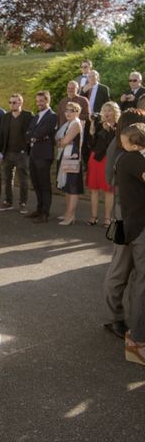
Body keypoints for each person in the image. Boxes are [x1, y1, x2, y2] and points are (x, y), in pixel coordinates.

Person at [103, 109, 145, 340]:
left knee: (132, 271)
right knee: (120, 270)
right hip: (124, 213)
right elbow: (111, 178)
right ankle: (113, 317)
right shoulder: (120, 150)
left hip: (132, 212)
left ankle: (134, 320)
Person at [115, 122, 145, 365]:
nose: (120, 144)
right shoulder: (132, 159)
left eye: (123, 140)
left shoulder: (132, 157)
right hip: (139, 230)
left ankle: (135, 335)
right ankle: (137, 341)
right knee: (142, 284)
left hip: (134, 227)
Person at [0, 94, 32, 213]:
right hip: (8, 153)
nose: (12, 105)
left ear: (20, 103)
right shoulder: (6, 117)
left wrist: (28, 150)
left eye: (15, 102)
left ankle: (23, 203)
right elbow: (1, 135)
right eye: (10, 102)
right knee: (6, 179)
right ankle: (8, 201)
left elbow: (31, 133)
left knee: (23, 180)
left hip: (22, 154)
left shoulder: (28, 116)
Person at [25, 91, 57, 224]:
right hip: (34, 153)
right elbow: (28, 133)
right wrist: (34, 135)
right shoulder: (36, 116)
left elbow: (40, 133)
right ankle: (39, 209)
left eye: (41, 101)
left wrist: (34, 135)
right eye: (37, 101)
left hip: (44, 154)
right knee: (36, 183)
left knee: (44, 184)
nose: (39, 103)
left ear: (47, 101)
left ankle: (45, 213)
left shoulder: (52, 116)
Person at [86, 102, 118, 227]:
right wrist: (93, 128)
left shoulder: (118, 127)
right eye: (104, 110)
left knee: (108, 191)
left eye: (109, 110)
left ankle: (107, 218)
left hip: (108, 160)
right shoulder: (98, 124)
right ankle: (93, 217)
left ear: (115, 112)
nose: (107, 113)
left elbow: (113, 145)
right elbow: (91, 145)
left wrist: (109, 129)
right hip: (95, 159)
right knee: (94, 190)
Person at [55, 102, 84, 225]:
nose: (67, 113)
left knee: (72, 187)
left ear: (77, 112)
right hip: (66, 154)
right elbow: (59, 142)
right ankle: (68, 213)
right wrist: (63, 142)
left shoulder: (76, 124)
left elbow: (63, 141)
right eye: (66, 111)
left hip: (72, 156)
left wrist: (63, 141)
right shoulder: (68, 124)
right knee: (67, 186)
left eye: (71, 110)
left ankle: (70, 216)